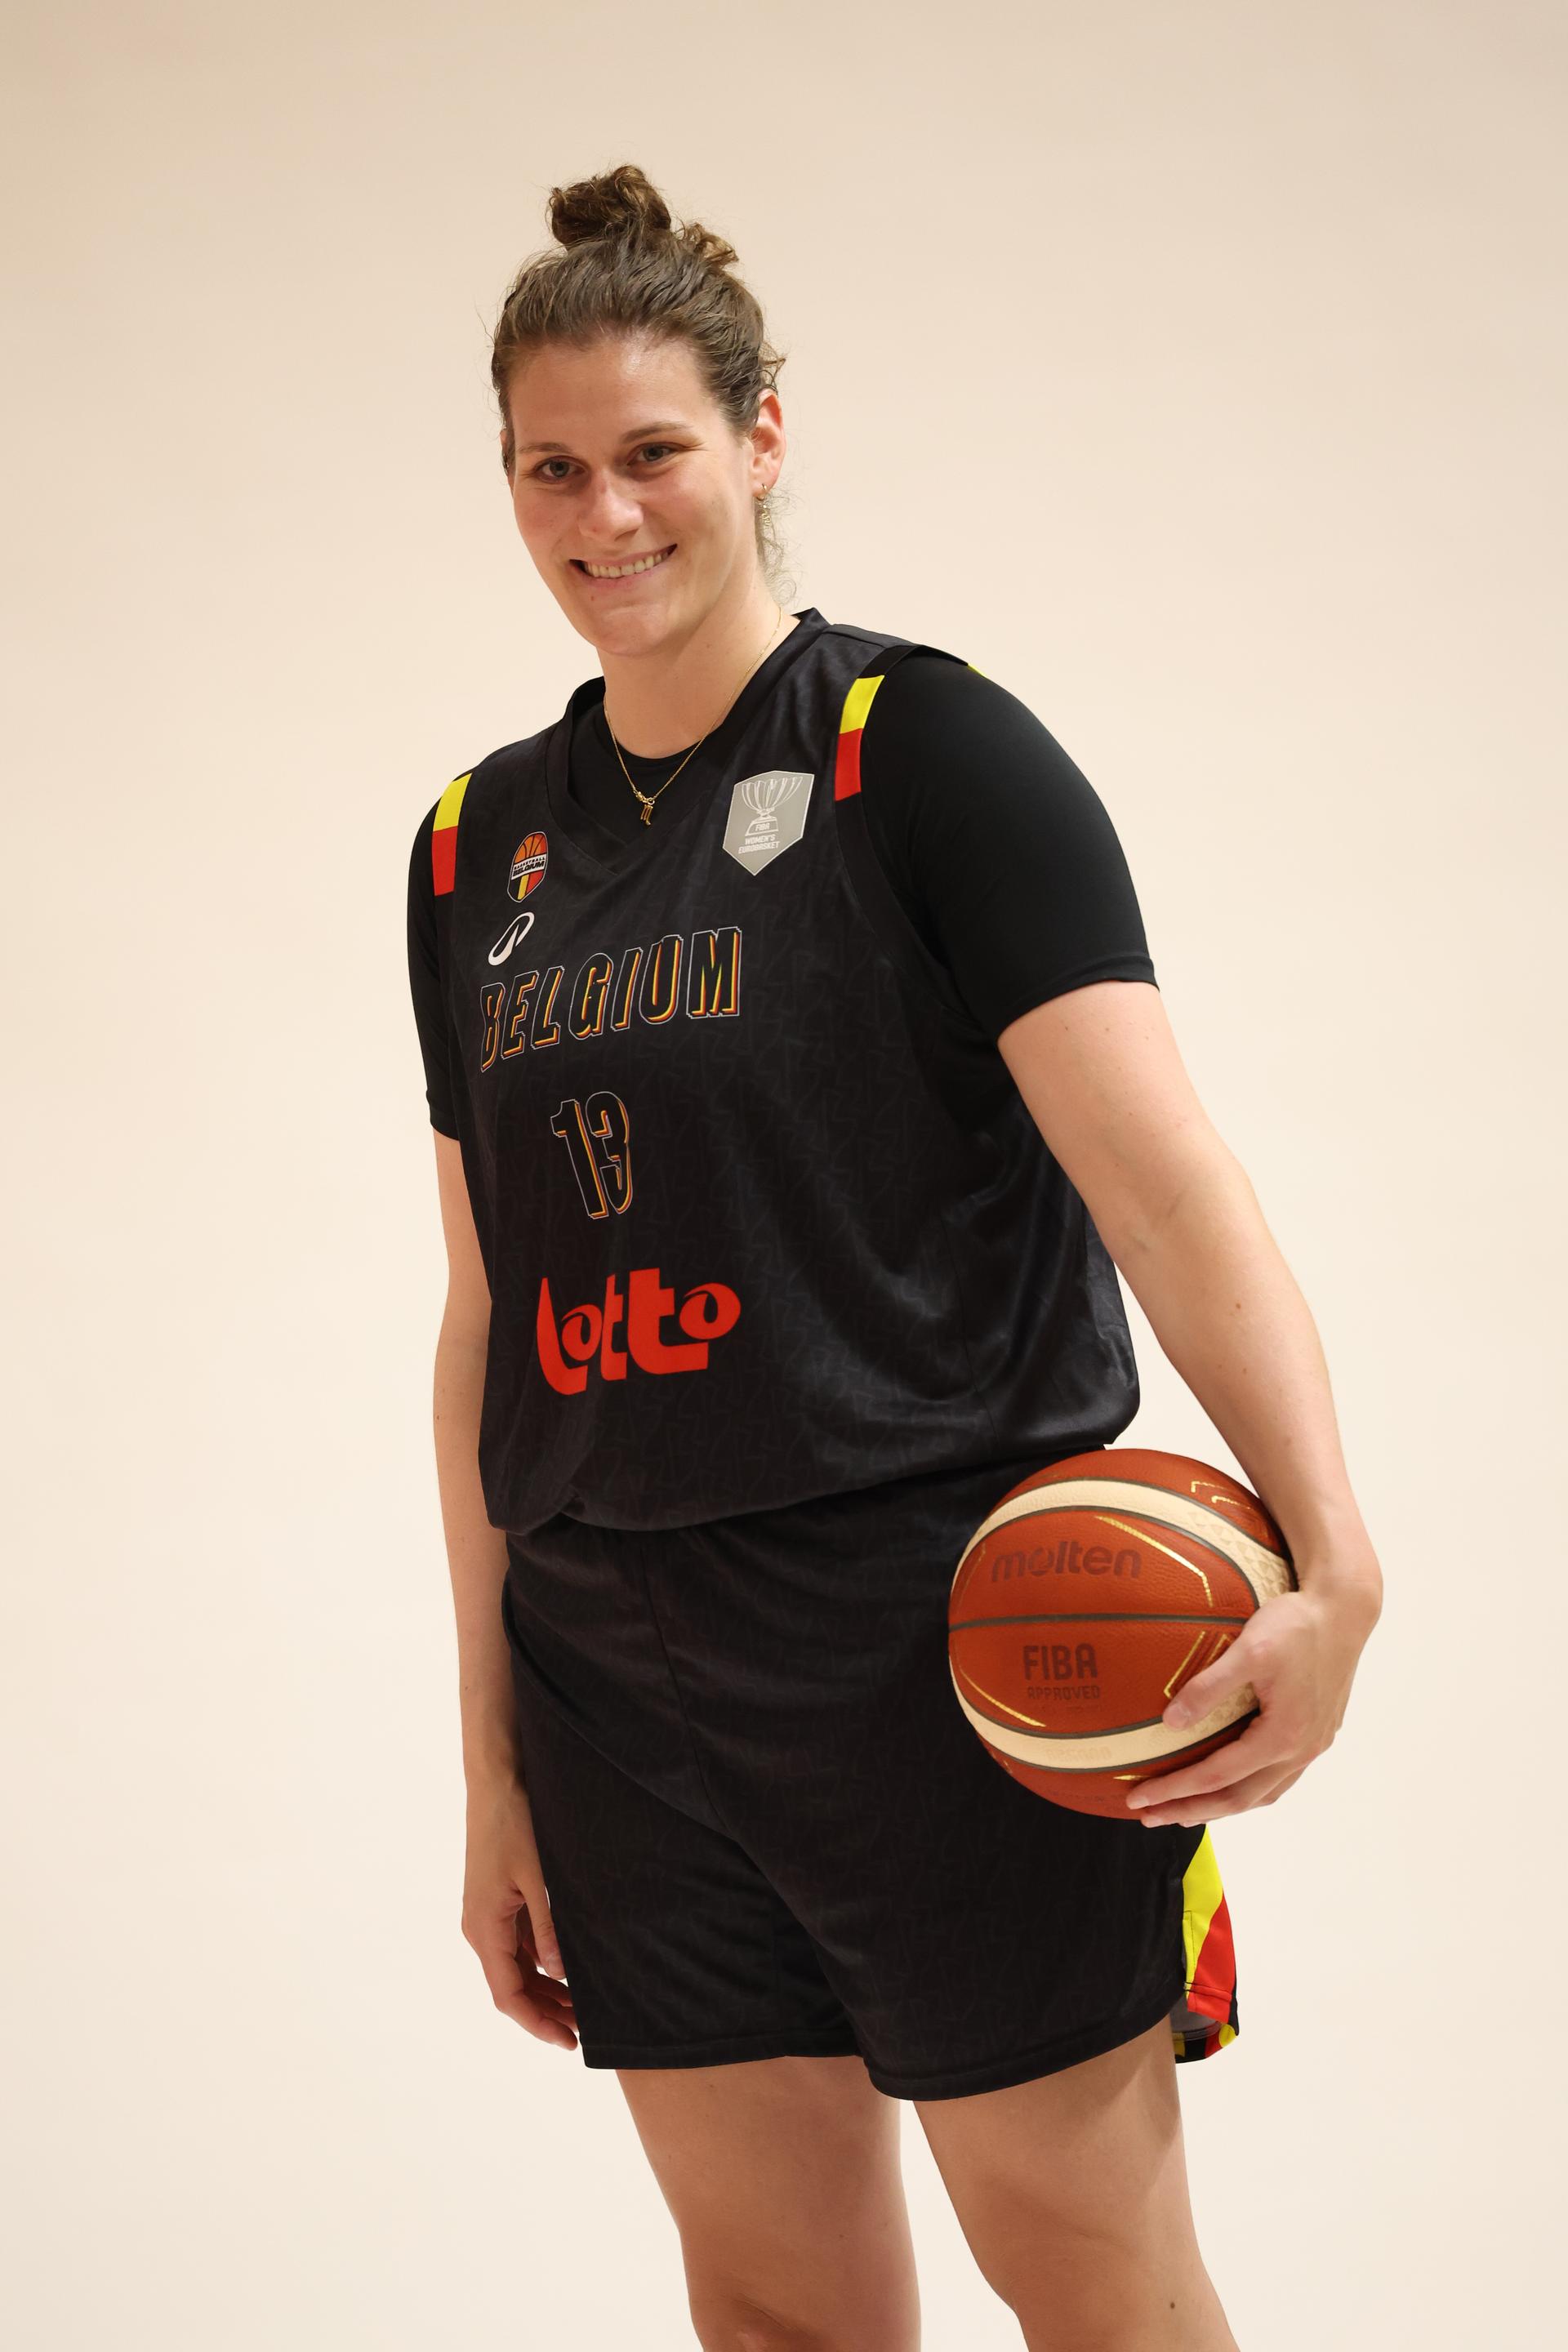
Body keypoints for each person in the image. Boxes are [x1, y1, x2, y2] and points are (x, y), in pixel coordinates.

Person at [404, 162, 1383, 2352]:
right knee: (772, 2314)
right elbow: (486, 1314)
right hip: (618, 1673)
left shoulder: (920, 753)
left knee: (1099, 2291)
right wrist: (494, 1765)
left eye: (652, 450)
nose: (605, 513)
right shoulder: (475, 849)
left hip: (952, 1645)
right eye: (547, 469)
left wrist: (1340, 1562)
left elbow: (1170, 1187)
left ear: (761, 436)